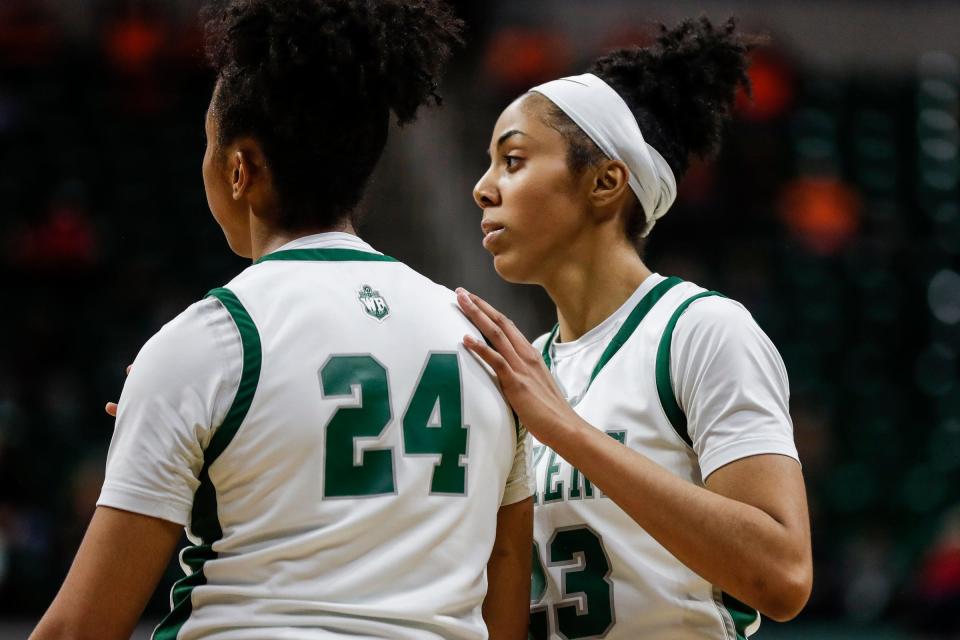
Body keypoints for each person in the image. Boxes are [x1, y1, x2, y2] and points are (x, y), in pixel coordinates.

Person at [31, 1, 534, 639]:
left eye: (207, 147)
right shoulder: (483, 341)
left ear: (239, 170)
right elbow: (508, 569)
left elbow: (79, 629)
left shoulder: (208, 341)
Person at [456, 17, 812, 639]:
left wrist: (566, 431)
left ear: (604, 181)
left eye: (512, 160)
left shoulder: (700, 332)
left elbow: (781, 576)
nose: (484, 189)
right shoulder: (530, 370)